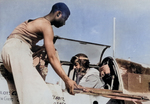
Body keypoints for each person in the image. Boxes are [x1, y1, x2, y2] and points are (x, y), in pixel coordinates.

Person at [1, 2, 77, 104]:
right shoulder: (46, 25)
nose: (64, 23)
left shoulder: (38, 22)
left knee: (51, 50)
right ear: (58, 14)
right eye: (65, 19)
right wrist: (67, 80)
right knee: (40, 95)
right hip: (17, 50)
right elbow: (52, 57)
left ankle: (37, 75)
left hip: (12, 49)